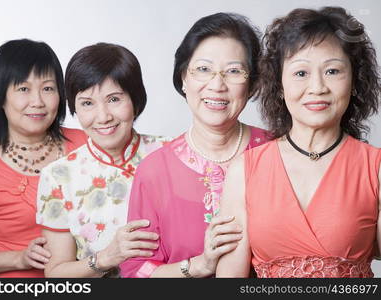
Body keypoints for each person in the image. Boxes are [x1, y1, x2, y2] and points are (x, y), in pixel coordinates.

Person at [216, 6, 381, 278]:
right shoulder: (244, 171)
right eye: (301, 73)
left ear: (354, 81)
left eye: (333, 71)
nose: (317, 87)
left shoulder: (374, 167)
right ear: (279, 85)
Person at [120, 12, 269, 278]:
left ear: (252, 84)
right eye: (203, 69)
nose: (217, 85)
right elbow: (137, 272)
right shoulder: (155, 171)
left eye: (234, 71)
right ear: (183, 79)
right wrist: (200, 265)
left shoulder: (276, 152)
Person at [36, 42, 170, 278]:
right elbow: (56, 274)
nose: (103, 117)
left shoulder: (173, 153)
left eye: (114, 99)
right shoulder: (58, 176)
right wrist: (107, 257)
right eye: (87, 103)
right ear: (74, 108)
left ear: (135, 100)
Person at [0, 39, 87, 277]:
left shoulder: (86, 143)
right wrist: (19, 258)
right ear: (1, 97)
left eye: (48, 88)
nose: (38, 102)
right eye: (23, 89)